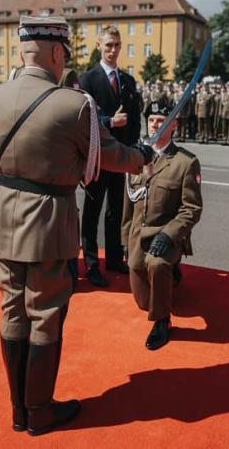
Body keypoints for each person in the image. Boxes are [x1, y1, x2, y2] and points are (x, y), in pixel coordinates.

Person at [0, 15, 152, 436]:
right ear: (55, 52)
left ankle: (18, 411)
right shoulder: (74, 104)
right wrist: (143, 156)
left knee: (12, 312)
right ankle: (40, 411)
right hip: (49, 222)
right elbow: (112, 158)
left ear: (20, 51)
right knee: (45, 316)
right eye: (64, 55)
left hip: (3, 222)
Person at [122, 100, 203, 351]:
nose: (155, 124)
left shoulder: (185, 162)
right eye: (152, 120)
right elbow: (128, 204)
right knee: (140, 292)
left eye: (162, 121)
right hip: (139, 232)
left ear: (173, 126)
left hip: (166, 232)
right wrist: (126, 242)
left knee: (156, 264)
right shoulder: (136, 156)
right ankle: (170, 276)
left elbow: (192, 208)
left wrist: (169, 236)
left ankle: (162, 321)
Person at [78, 26, 141, 287]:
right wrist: (109, 122)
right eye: (108, 45)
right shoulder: (87, 80)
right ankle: (91, 264)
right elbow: (82, 117)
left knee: (116, 211)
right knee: (92, 212)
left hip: (121, 157)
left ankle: (114, 258)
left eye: (116, 45)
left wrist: (135, 151)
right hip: (97, 156)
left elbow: (135, 118)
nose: (113, 50)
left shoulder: (128, 80)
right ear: (98, 46)